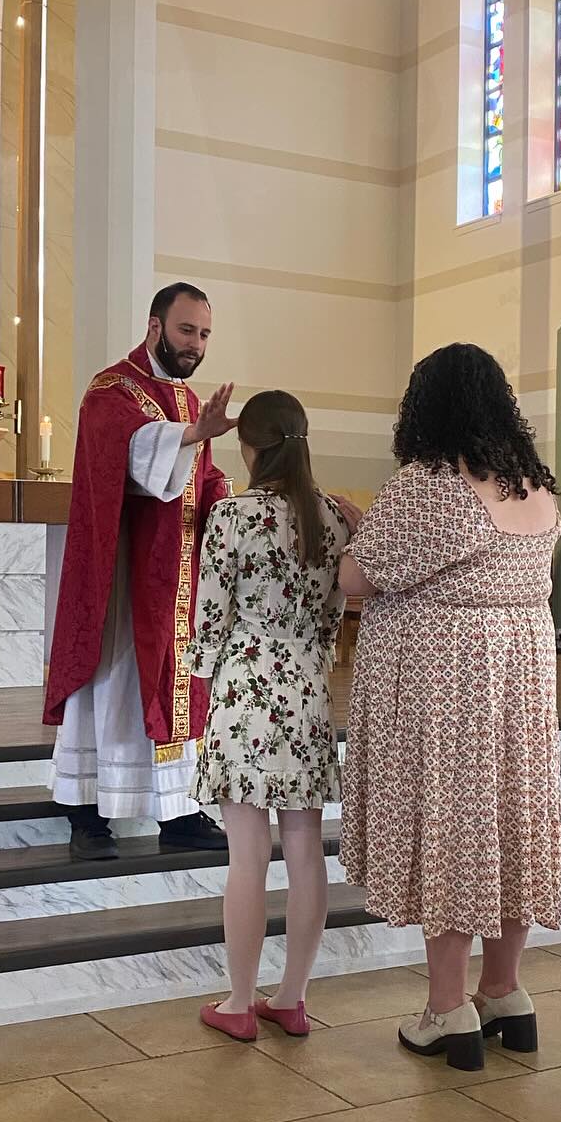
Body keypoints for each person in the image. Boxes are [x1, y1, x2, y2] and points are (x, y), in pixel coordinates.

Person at [339, 343, 561, 1071]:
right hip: (520, 688)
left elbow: (356, 578)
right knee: (507, 828)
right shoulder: (535, 487)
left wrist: (356, 528)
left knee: (454, 829)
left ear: (426, 407)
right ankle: (504, 992)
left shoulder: (431, 484)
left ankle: (447, 1011)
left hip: (451, 691)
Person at [45, 283, 236, 861]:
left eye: (204, 334)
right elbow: (125, 453)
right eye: (186, 330)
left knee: (169, 681)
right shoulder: (111, 389)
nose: (196, 344)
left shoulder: (187, 401)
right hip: (122, 577)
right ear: (154, 326)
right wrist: (190, 437)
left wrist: (227, 495)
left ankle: (177, 811)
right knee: (113, 676)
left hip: (176, 577)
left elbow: (200, 475)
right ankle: (86, 812)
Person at [185, 392, 354, 1041]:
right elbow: (334, 616)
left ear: (249, 448)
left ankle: (236, 1002)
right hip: (308, 692)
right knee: (306, 851)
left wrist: (199, 673)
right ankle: (291, 997)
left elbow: (208, 620)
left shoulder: (231, 516)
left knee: (247, 855)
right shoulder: (332, 519)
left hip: (245, 694)